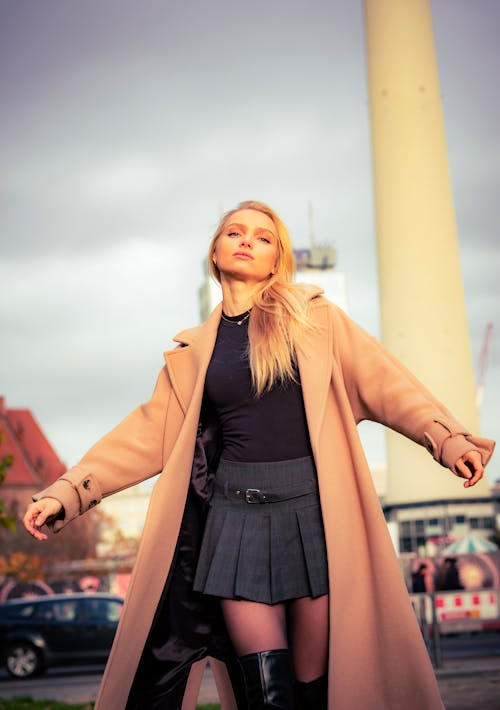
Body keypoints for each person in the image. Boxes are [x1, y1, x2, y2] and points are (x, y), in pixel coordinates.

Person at [23, 200, 495, 710]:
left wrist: (447, 439)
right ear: (215, 251)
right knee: (267, 694)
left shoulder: (315, 322)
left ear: (276, 260)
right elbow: (142, 434)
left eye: (263, 237)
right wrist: (66, 493)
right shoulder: (193, 354)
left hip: (312, 516)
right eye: (235, 232)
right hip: (233, 520)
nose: (247, 241)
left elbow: (387, 384)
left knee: (313, 690)